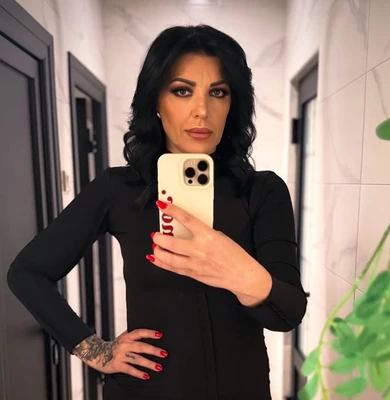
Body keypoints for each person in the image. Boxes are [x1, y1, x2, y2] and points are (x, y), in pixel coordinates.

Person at [8, 25, 307, 400]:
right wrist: (95, 351)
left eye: (218, 92)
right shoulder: (119, 188)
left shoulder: (262, 191)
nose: (201, 110)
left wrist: (236, 270)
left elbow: (287, 313)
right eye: (182, 91)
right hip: (145, 390)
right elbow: (27, 273)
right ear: (156, 102)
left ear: (233, 105)